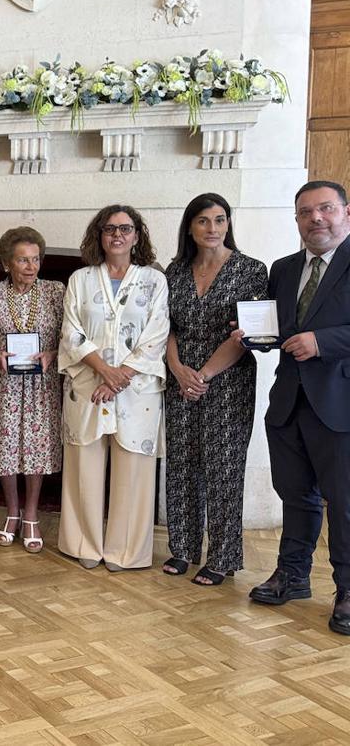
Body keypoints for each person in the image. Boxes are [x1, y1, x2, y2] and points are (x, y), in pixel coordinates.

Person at [248, 180, 350, 636]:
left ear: (345, 212)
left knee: (345, 504)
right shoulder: (285, 269)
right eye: (306, 212)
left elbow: (315, 336)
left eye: (325, 209)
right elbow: (279, 329)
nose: (316, 219)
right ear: (296, 220)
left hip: (340, 403)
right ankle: (293, 575)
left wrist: (321, 341)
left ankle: (347, 589)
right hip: (288, 401)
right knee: (295, 494)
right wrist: (252, 335)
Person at [162, 194, 267, 585]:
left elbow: (247, 332)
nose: (212, 228)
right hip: (179, 378)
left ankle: (222, 556)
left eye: (220, 220)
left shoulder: (250, 270)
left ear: (228, 224)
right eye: (203, 221)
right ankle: (183, 549)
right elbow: (165, 326)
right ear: (190, 226)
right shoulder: (174, 272)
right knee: (182, 464)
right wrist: (177, 369)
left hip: (228, 379)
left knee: (223, 468)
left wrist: (203, 374)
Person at [58, 205, 168, 572]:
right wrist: (105, 372)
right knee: (84, 466)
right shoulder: (81, 279)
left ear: (137, 235)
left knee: (134, 470)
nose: (117, 235)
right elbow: (71, 331)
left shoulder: (155, 281)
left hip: (136, 389)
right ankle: (83, 543)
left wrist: (120, 376)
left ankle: (126, 551)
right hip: (89, 384)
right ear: (99, 236)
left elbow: (157, 334)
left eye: (125, 228)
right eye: (109, 229)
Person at [0, 227, 64, 553]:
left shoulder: (55, 291)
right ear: (7, 263)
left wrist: (53, 354)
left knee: (37, 450)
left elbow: (70, 340)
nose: (31, 266)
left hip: (41, 386)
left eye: (35, 259)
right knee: (5, 451)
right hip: (2, 387)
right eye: (23, 260)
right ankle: (11, 513)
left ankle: (32, 514)